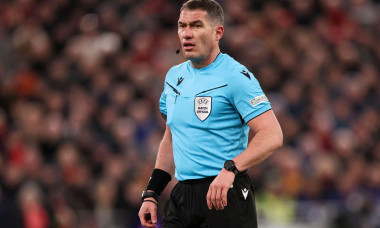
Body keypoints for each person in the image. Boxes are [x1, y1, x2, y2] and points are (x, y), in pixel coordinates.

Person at [138, 0, 283, 227]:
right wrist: (152, 192)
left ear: (218, 32)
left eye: (196, 26)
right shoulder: (173, 77)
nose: (186, 34)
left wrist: (231, 169)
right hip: (183, 196)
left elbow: (272, 135)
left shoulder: (235, 76)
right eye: (182, 25)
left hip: (225, 193)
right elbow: (171, 137)